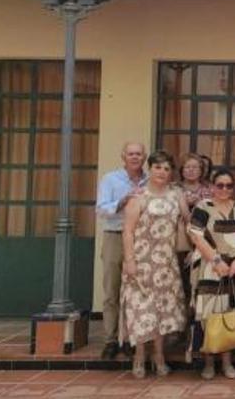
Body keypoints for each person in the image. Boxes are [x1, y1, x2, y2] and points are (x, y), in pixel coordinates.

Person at [120, 150, 188, 379]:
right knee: (140, 310)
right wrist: (130, 261)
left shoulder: (177, 195)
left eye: (167, 168)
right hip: (141, 261)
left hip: (166, 262)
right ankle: (139, 355)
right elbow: (128, 232)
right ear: (150, 169)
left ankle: (159, 355)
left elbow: (188, 221)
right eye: (158, 167)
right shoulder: (137, 197)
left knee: (161, 311)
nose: (162, 172)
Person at [187, 168, 235, 380]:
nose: (224, 189)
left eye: (229, 185)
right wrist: (215, 260)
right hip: (210, 267)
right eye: (220, 185)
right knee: (209, 313)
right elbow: (197, 236)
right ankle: (208, 363)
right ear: (212, 186)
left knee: (231, 311)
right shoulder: (203, 207)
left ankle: (227, 361)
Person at [95, 141, 148, 360]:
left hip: (141, 240)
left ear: (144, 157)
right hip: (115, 237)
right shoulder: (110, 179)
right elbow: (101, 209)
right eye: (131, 154)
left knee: (135, 292)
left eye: (139, 154)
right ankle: (110, 340)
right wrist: (121, 202)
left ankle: (129, 339)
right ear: (123, 156)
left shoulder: (150, 180)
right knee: (112, 291)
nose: (135, 157)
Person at [177, 153, 213, 307]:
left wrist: (200, 204)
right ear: (182, 170)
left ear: (201, 170)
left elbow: (212, 218)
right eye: (187, 167)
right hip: (178, 242)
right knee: (179, 283)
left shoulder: (209, 191)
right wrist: (183, 204)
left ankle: (196, 323)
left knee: (198, 282)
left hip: (203, 243)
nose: (191, 170)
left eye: (195, 167)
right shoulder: (173, 189)